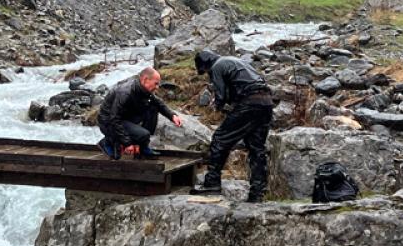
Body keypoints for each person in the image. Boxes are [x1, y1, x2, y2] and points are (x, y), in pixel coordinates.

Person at [191, 49, 275, 203]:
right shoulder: (235, 61)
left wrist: (217, 106)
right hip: (266, 102)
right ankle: (258, 192)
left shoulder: (216, 66)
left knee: (219, 139)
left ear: (205, 64)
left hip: (249, 103)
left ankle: (212, 183)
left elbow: (221, 96)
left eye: (204, 71)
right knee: (257, 148)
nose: (207, 75)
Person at [97, 67, 183, 159]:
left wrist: (172, 115)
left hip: (124, 117)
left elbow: (158, 103)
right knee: (143, 135)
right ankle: (107, 142)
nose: (157, 87)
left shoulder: (143, 89)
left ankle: (143, 147)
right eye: (156, 83)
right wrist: (128, 143)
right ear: (146, 80)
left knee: (153, 107)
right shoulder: (125, 92)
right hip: (108, 122)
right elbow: (114, 118)